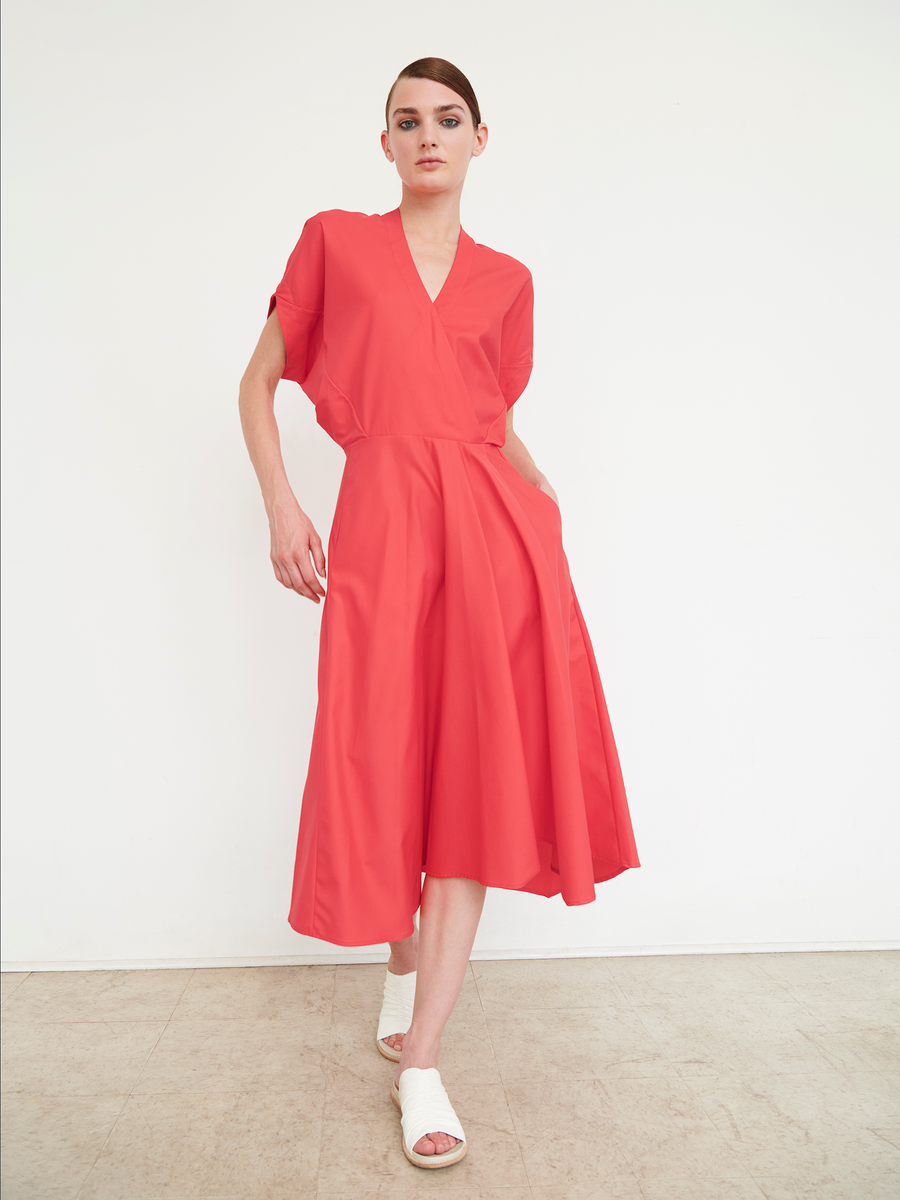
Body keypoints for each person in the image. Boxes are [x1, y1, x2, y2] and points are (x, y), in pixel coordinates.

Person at [238, 57, 640, 1169]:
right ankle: (400, 956)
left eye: (447, 120)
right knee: (376, 760)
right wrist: (283, 503)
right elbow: (256, 380)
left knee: (466, 779)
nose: (427, 136)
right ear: (385, 144)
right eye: (406, 121)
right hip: (377, 531)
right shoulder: (335, 242)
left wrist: (541, 490)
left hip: (492, 542)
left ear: (478, 138)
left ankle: (422, 1059)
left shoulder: (507, 279)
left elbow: (486, 413)